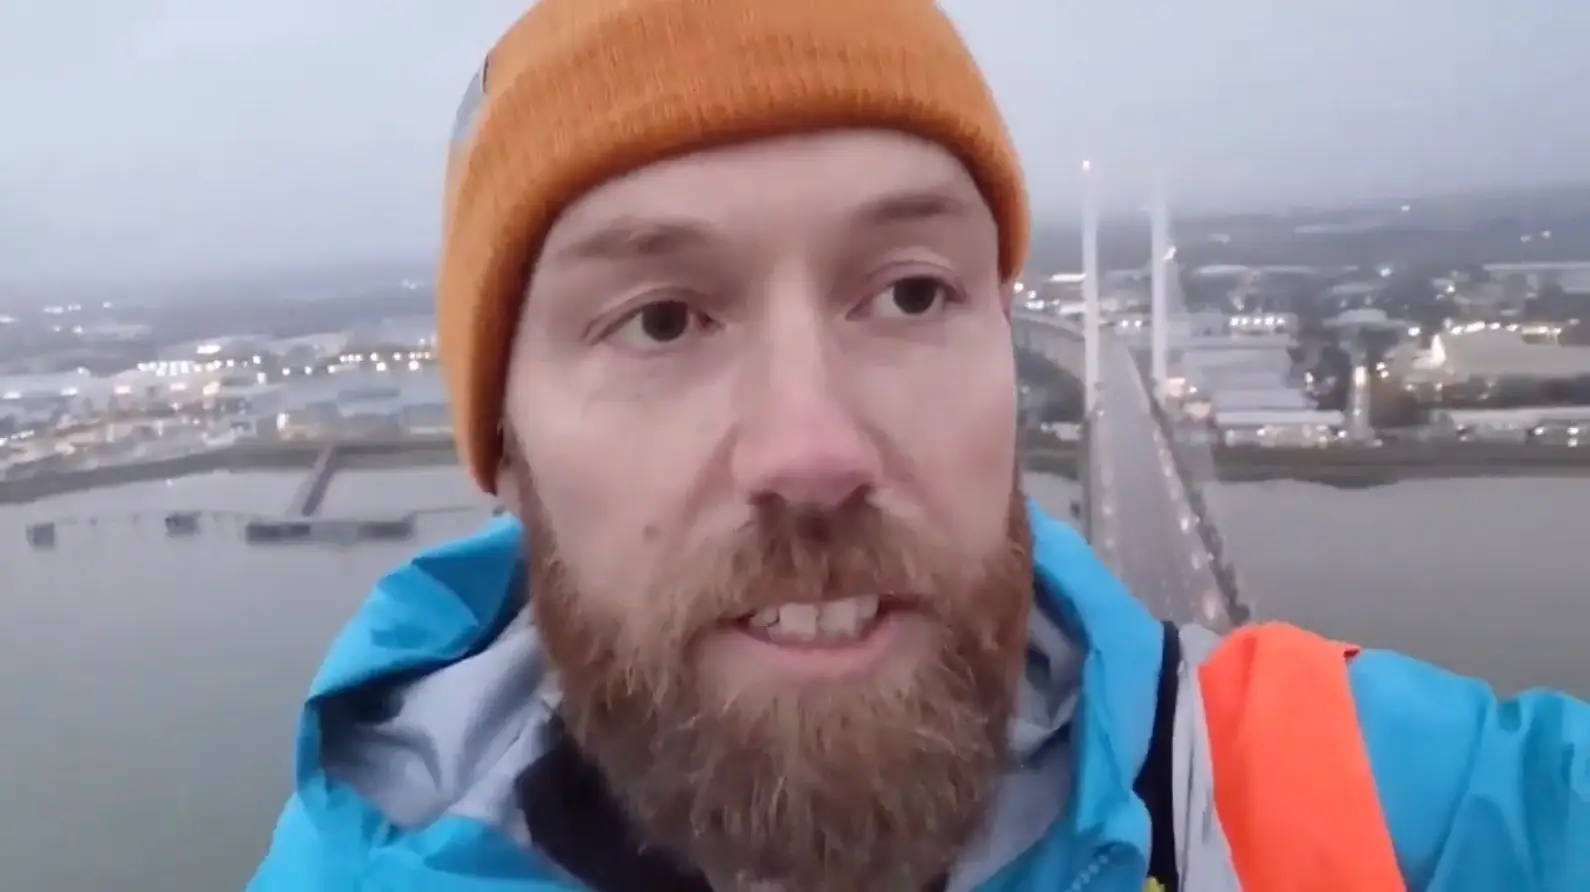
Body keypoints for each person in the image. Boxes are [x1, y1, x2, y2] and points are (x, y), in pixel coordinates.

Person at [248, 1, 1590, 890]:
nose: (812, 446)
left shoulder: (1353, 808)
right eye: (660, 319)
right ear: (503, 443)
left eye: (909, 294)